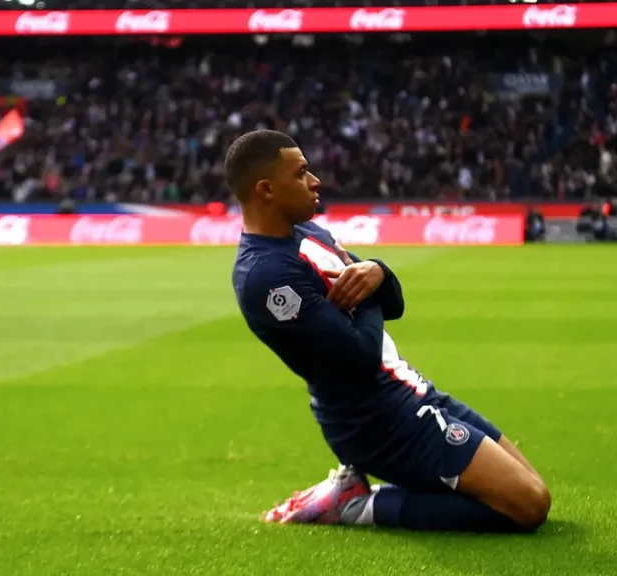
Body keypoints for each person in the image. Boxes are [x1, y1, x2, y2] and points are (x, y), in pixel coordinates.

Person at [229, 130, 551, 533]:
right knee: (529, 506)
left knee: (533, 490)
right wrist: (370, 289)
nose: (315, 181)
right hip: (376, 421)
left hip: (409, 389)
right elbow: (360, 357)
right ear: (266, 190)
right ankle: (356, 506)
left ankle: (371, 494)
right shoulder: (267, 277)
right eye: (300, 173)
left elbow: (392, 302)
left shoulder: (311, 235)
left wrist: (378, 271)